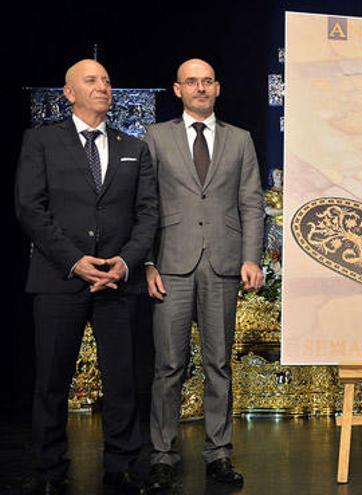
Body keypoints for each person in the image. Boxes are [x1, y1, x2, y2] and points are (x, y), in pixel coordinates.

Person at [15, 59, 158, 494]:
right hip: (60, 278)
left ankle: (123, 464)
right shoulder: (41, 141)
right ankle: (49, 469)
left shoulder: (134, 145)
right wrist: (75, 260)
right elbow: (29, 207)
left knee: (124, 380)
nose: (103, 87)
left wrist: (125, 262)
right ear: (69, 93)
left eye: (108, 81)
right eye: (92, 80)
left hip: (118, 280)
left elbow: (148, 213)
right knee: (52, 381)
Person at [143, 58, 264, 491]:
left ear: (218, 88)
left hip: (224, 263)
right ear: (177, 90)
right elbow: (146, 205)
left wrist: (251, 257)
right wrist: (148, 262)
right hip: (171, 265)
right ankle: (162, 454)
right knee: (169, 365)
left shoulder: (240, 139)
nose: (200, 87)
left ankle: (219, 454)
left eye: (207, 81)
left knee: (218, 363)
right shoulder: (156, 138)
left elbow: (251, 202)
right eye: (192, 82)